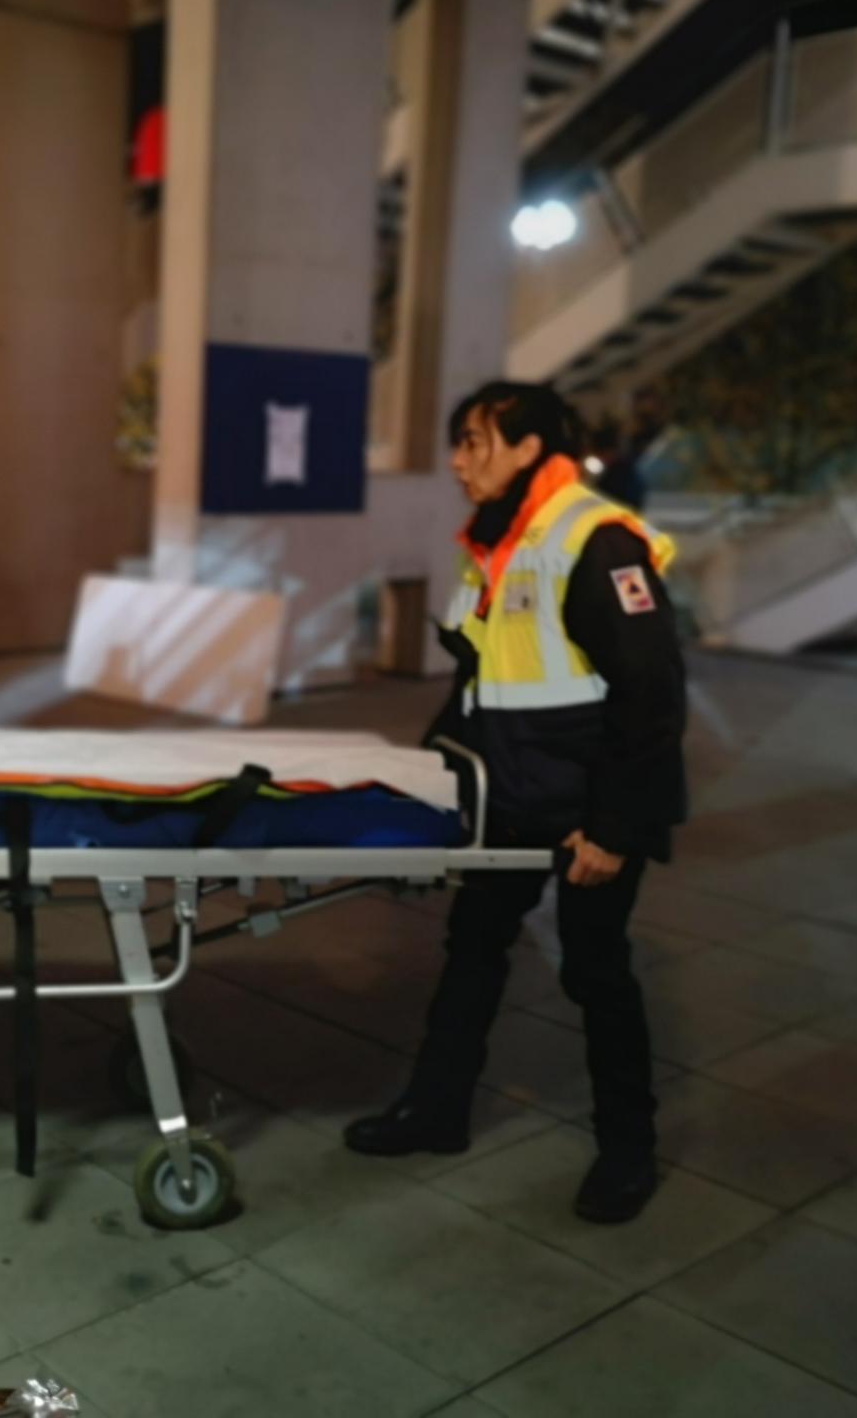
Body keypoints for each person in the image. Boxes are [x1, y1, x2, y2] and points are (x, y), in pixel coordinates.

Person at [345, 380, 687, 1224]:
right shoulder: (499, 545)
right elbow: (481, 687)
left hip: (588, 813)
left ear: (529, 447)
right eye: (458, 443)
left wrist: (612, 827)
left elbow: (652, 697)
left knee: (595, 970)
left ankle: (627, 1151)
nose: (459, 461)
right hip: (512, 795)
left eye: (474, 441)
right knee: (473, 949)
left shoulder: (595, 542)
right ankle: (437, 1110)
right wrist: (430, 785)